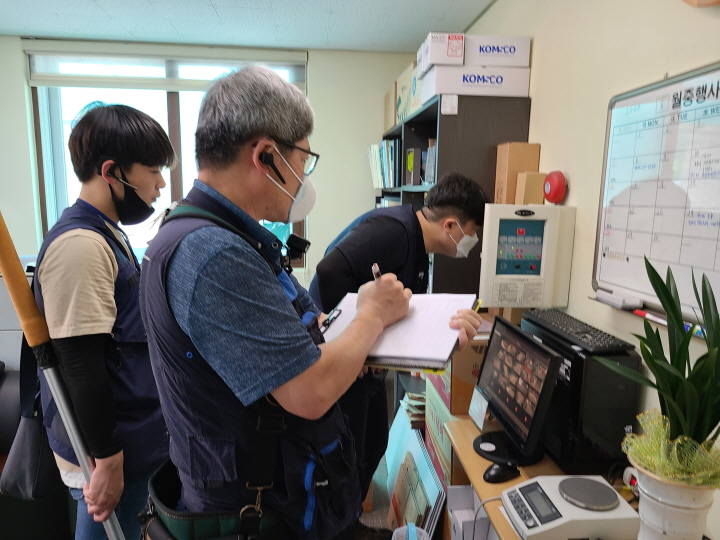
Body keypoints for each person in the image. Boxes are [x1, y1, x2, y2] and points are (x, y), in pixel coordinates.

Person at [138, 67, 480, 540]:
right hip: (257, 514)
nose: (304, 176)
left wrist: (427, 337)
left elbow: (312, 331)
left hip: (278, 495)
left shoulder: (228, 239)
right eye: (304, 158)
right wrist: (372, 313)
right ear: (266, 155)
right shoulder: (213, 254)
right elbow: (309, 391)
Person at [33, 103, 176, 539]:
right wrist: (108, 459)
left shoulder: (108, 233)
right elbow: (80, 364)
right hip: (108, 451)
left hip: (130, 439)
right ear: (111, 172)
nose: (161, 183)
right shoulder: (80, 246)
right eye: (153, 170)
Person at [309, 172, 487, 509]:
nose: (472, 242)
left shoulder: (416, 244)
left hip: (368, 356)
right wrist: (349, 341)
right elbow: (329, 271)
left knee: (375, 443)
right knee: (347, 455)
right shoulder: (394, 231)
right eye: (473, 233)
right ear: (450, 225)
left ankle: (352, 517)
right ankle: (341, 523)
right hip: (344, 355)